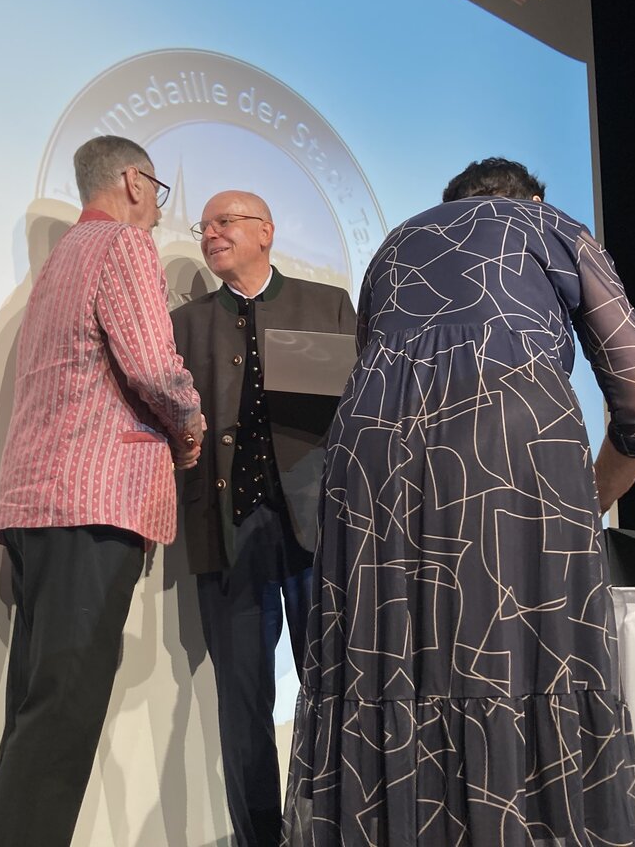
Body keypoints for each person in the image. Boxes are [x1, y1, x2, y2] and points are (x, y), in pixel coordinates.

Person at [285, 157, 635, 846]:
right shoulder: (551, 227)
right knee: (519, 661)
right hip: (508, 447)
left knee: (386, 666)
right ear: (530, 200)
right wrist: (591, 497)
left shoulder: (395, 246)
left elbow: (369, 360)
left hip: (370, 463)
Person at [0, 135, 205, 847]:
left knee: (38, 713)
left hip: (36, 504)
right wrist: (190, 425)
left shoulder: (57, 264)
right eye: (158, 194)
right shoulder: (124, 246)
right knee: (63, 718)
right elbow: (155, 368)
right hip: (95, 502)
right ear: (135, 183)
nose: (159, 212)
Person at [169, 191, 355, 847]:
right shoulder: (185, 323)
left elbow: (357, 415)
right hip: (227, 528)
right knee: (243, 702)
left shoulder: (327, 306)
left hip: (317, 530)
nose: (211, 234)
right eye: (205, 226)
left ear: (265, 231)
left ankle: (334, 829)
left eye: (225, 222)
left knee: (331, 689)